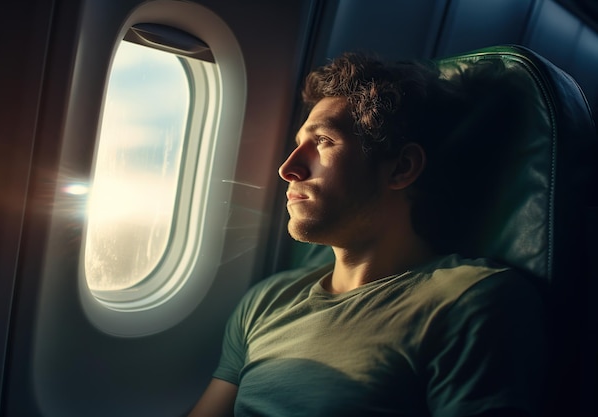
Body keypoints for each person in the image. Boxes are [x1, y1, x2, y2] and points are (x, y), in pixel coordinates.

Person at [188, 53, 547, 417]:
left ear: (401, 168)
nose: (288, 168)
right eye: (298, 143)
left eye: (324, 141)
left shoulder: (469, 304)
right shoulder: (267, 301)